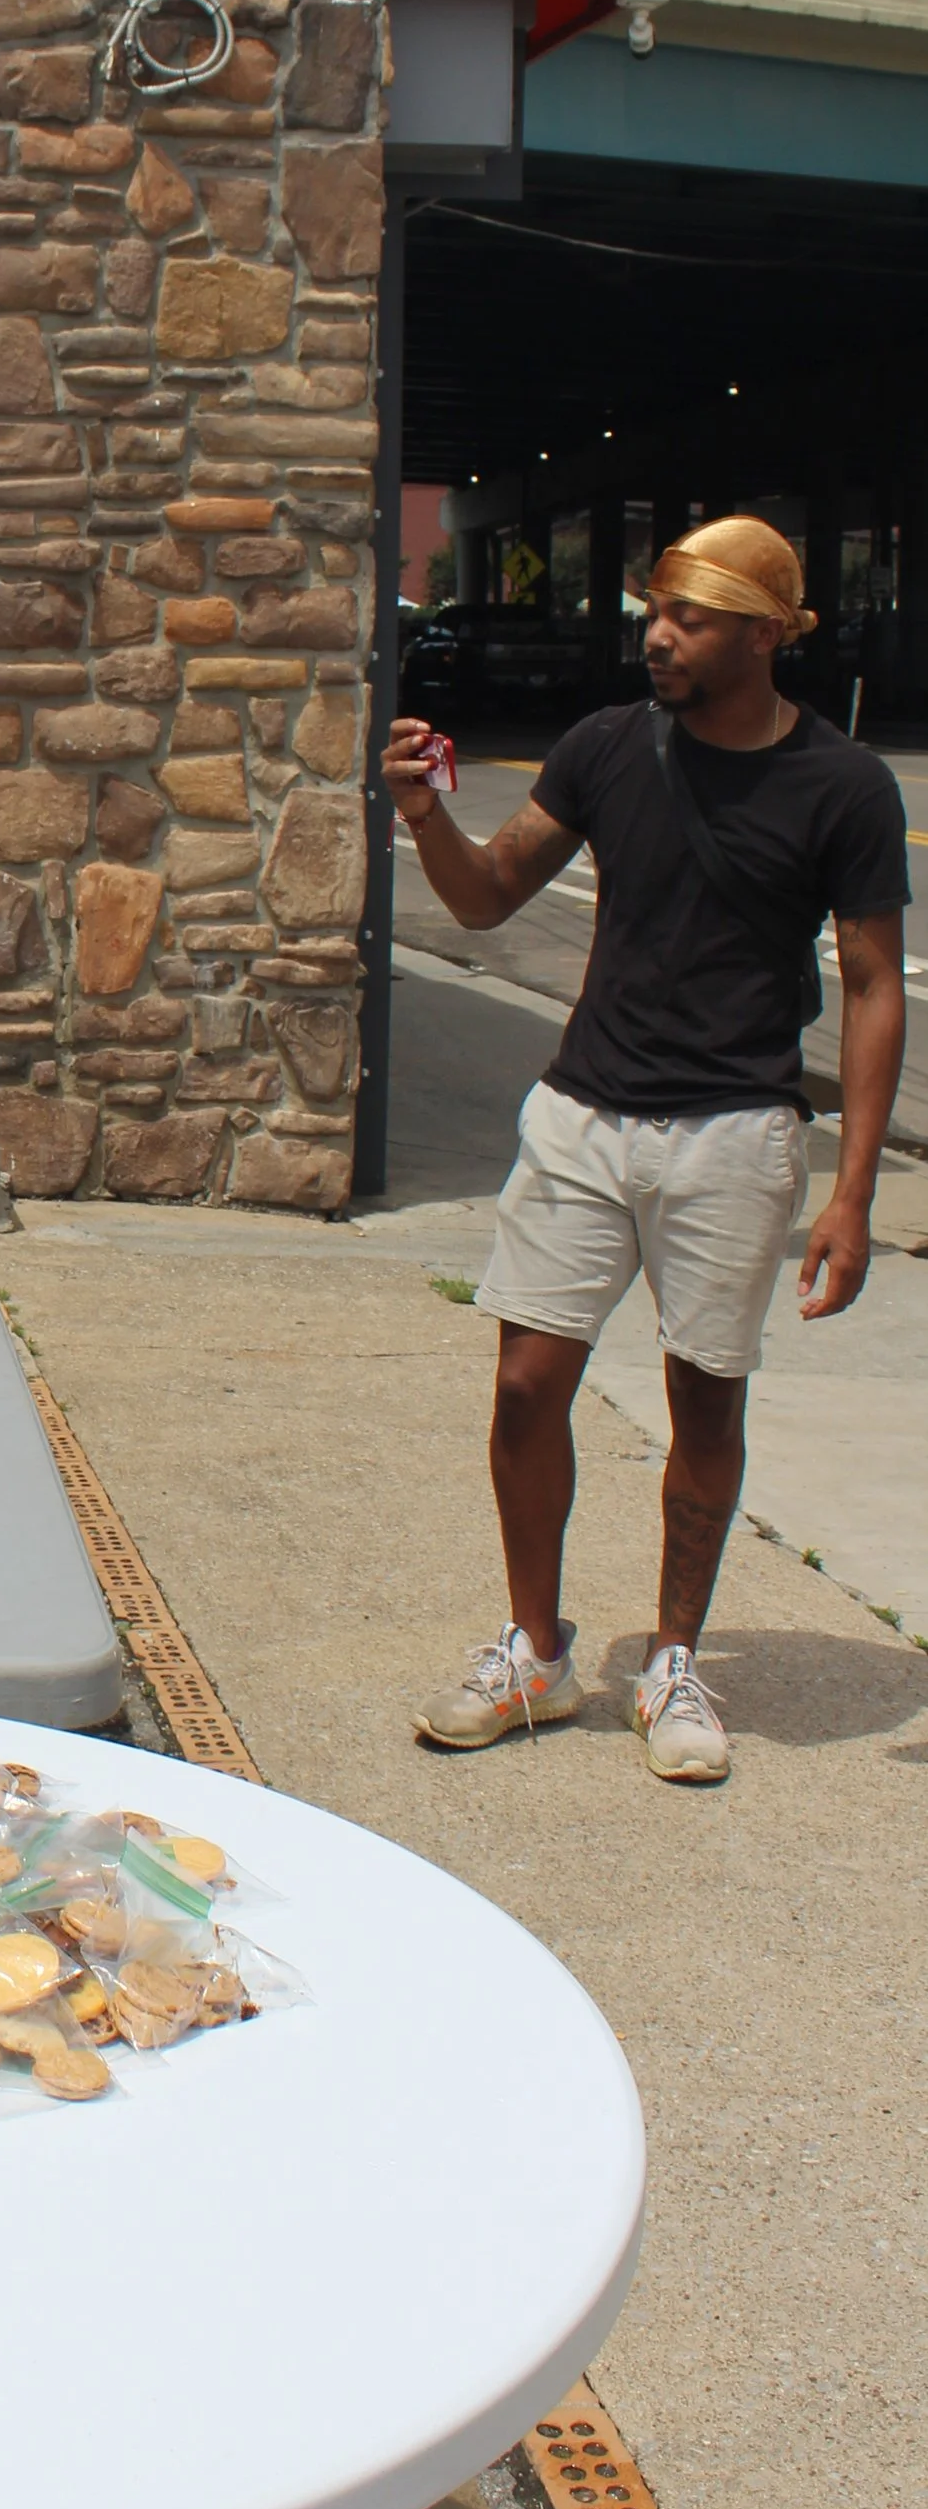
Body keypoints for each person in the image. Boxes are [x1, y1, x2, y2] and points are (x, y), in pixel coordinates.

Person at [385, 516, 909, 1787]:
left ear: (766, 635)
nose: (656, 637)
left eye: (687, 618)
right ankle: (535, 1648)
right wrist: (423, 818)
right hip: (582, 1113)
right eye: (653, 611)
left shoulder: (841, 786)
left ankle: (674, 1659)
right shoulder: (610, 747)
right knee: (523, 1383)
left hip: (736, 1130)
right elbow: (486, 896)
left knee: (704, 1394)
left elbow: (877, 985)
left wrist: (849, 1194)